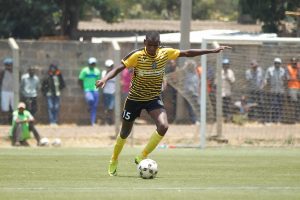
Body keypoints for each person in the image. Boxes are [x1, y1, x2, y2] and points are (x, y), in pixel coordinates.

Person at [95, 31, 231, 176]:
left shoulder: (165, 53)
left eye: (155, 45)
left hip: (153, 98)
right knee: (125, 132)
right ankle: (114, 159)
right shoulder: (137, 55)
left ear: (159, 44)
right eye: (149, 45)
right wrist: (104, 79)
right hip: (134, 99)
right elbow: (118, 68)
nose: (152, 49)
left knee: (163, 126)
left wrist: (212, 50)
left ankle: (142, 155)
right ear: (144, 43)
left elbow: (187, 53)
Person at [263, 57, 287, 123]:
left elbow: (285, 80)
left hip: (280, 91)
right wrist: (265, 84)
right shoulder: (270, 70)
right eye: (276, 63)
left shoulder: (283, 70)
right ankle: (272, 119)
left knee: (280, 106)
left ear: (280, 64)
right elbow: (266, 78)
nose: (277, 64)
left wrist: (284, 87)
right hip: (273, 91)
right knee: (273, 105)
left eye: (279, 63)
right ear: (274, 63)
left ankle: (278, 120)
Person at [78, 57, 101, 126]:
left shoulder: (97, 71)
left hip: (95, 90)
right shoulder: (85, 70)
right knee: (90, 100)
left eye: (94, 64)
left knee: (95, 106)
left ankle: (92, 122)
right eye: (91, 64)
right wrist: (83, 87)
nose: (92, 65)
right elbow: (80, 80)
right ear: (89, 64)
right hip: (87, 89)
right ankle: (89, 106)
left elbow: (98, 80)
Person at [285, 57, 300, 123]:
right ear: (291, 62)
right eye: (293, 62)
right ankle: (294, 119)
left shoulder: (298, 68)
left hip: (298, 87)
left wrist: (298, 69)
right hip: (292, 88)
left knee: (298, 104)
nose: (294, 64)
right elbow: (288, 78)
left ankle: (298, 119)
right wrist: (295, 78)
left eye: (295, 62)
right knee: (294, 103)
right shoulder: (288, 68)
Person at [0, 57, 14, 124]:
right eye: (7, 65)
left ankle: (14, 121)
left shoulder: (16, 71)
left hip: (13, 91)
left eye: (10, 64)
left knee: (14, 107)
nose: (8, 66)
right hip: (5, 91)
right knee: (5, 107)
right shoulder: (3, 72)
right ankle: (5, 121)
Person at [102, 59, 116, 125]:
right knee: (106, 107)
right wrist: (107, 74)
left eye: (110, 66)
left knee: (111, 108)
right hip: (106, 92)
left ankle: (111, 120)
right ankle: (106, 121)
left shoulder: (115, 73)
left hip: (113, 93)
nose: (109, 68)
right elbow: (103, 82)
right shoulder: (104, 73)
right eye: (108, 66)